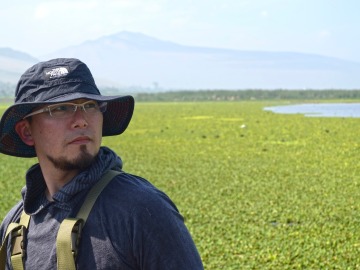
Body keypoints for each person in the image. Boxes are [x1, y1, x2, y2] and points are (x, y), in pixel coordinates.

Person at [0, 58, 204, 269]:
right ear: (26, 132)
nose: (81, 120)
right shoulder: (15, 227)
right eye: (60, 108)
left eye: (90, 105)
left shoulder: (141, 210)